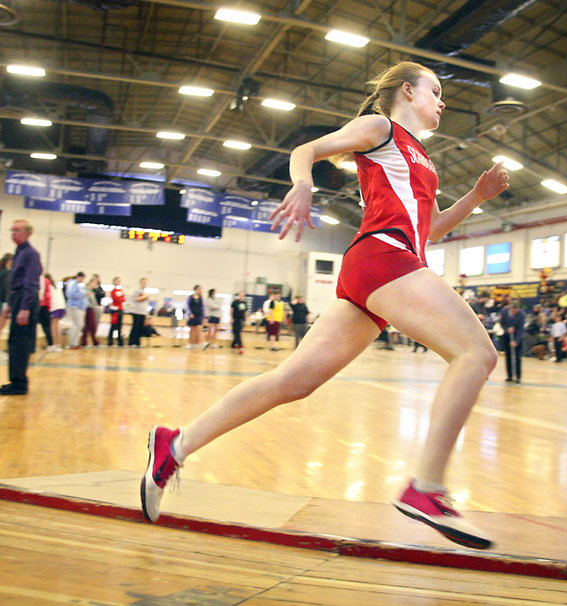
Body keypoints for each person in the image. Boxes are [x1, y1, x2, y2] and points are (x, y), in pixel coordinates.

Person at [140, 61, 509, 550]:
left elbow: (431, 230)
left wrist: (477, 198)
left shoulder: (423, 157)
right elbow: (306, 149)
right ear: (407, 91)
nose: (442, 102)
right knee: (477, 355)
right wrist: (302, 184)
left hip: (382, 270)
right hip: (382, 258)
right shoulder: (382, 128)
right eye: (435, 91)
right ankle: (427, 489)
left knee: (293, 381)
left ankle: (175, 445)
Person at [1, 220, 42, 395]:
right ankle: (15, 380)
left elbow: (31, 283)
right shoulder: (18, 253)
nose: (14, 233)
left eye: (17, 230)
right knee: (14, 341)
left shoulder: (31, 254)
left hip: (26, 301)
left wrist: (25, 307)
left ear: (28, 233)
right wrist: (9, 305)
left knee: (20, 342)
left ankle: (20, 383)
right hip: (18, 299)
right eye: (12, 230)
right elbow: (15, 282)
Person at [500, 300, 525, 383]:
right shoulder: (504, 312)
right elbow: (501, 323)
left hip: (517, 337)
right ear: (510, 308)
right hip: (507, 337)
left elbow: (521, 329)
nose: (514, 312)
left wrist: (516, 342)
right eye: (512, 310)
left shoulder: (521, 314)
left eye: (515, 311)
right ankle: (509, 376)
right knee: (508, 357)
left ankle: (518, 376)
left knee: (517, 357)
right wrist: (507, 329)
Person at [65, 272, 87, 349]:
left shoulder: (78, 284)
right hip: (74, 307)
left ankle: (75, 343)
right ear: (79, 277)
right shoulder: (73, 283)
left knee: (79, 325)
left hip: (79, 308)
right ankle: (73, 343)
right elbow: (71, 295)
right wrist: (83, 294)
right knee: (76, 325)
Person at [81, 274, 103, 347]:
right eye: (95, 283)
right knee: (90, 325)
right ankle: (90, 341)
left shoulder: (91, 291)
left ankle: (89, 341)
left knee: (90, 325)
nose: (95, 285)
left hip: (91, 308)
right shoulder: (85, 290)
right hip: (87, 309)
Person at [46, 273, 65, 352]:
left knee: (53, 327)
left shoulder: (49, 285)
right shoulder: (56, 285)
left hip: (54, 307)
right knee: (57, 326)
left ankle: (54, 344)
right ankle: (58, 344)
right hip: (61, 307)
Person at [128, 277, 149, 347]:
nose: (144, 284)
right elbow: (135, 299)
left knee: (140, 327)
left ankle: (137, 342)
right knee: (135, 327)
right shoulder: (137, 291)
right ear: (140, 283)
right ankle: (131, 342)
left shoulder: (145, 292)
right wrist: (144, 297)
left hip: (143, 312)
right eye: (143, 282)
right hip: (136, 311)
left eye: (145, 283)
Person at [108, 277, 126, 346]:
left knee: (119, 326)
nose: (118, 282)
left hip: (120, 310)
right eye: (117, 281)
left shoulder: (120, 290)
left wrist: (121, 297)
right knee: (113, 325)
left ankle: (119, 341)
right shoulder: (113, 291)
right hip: (115, 310)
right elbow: (117, 299)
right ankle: (110, 341)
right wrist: (121, 298)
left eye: (119, 281)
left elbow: (123, 299)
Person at [186, 284, 204, 349]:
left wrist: (203, 316)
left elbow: (202, 307)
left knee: (199, 329)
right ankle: (191, 343)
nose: (200, 290)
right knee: (192, 330)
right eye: (199, 289)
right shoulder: (191, 297)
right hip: (192, 316)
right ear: (195, 290)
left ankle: (200, 343)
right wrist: (190, 313)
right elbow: (188, 306)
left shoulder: (201, 298)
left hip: (199, 316)